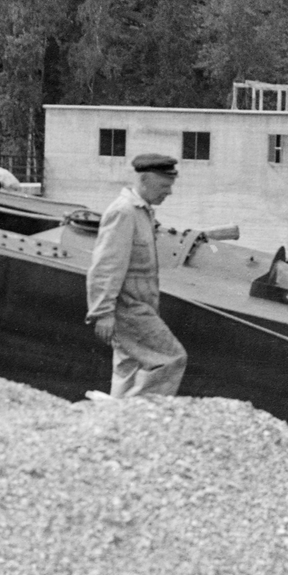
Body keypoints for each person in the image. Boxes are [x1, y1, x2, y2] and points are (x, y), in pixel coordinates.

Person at [85, 153, 187, 397]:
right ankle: (141, 417)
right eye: (164, 186)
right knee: (170, 358)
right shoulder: (124, 212)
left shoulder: (142, 211)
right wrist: (103, 313)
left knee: (129, 367)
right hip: (128, 308)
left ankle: (118, 421)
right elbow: (106, 265)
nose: (169, 192)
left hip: (139, 306)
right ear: (144, 179)